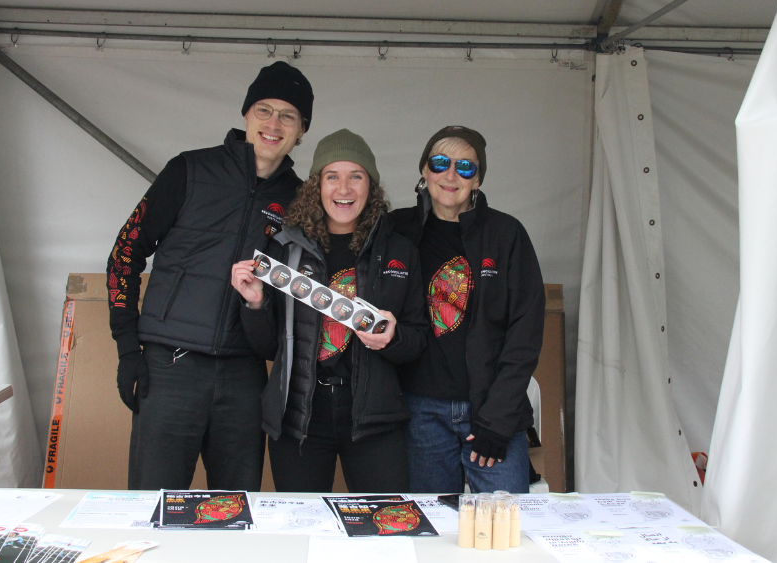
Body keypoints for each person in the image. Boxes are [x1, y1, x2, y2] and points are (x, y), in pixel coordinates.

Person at [106, 61, 314, 491]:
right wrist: (129, 350)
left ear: (302, 129)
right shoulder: (188, 170)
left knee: (234, 512)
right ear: (245, 115)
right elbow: (124, 256)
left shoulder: (300, 200)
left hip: (244, 378)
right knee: (154, 506)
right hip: (169, 370)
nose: (273, 124)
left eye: (288, 115)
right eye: (263, 110)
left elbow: (295, 301)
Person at [231, 129, 428, 492]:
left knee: (386, 527)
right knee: (303, 529)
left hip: (374, 418)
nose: (344, 189)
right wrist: (255, 304)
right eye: (332, 176)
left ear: (371, 186)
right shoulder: (285, 248)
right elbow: (266, 349)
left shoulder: (399, 250)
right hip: (299, 417)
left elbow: (418, 341)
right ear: (316, 186)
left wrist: (394, 336)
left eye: (356, 176)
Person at [390, 125, 546, 494]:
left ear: (477, 181)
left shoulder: (506, 234)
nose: (450, 174)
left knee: (506, 533)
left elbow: (525, 332)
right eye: (440, 162)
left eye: (465, 167)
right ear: (424, 171)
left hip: (491, 412)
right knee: (433, 535)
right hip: (420, 412)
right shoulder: (396, 230)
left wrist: (499, 420)